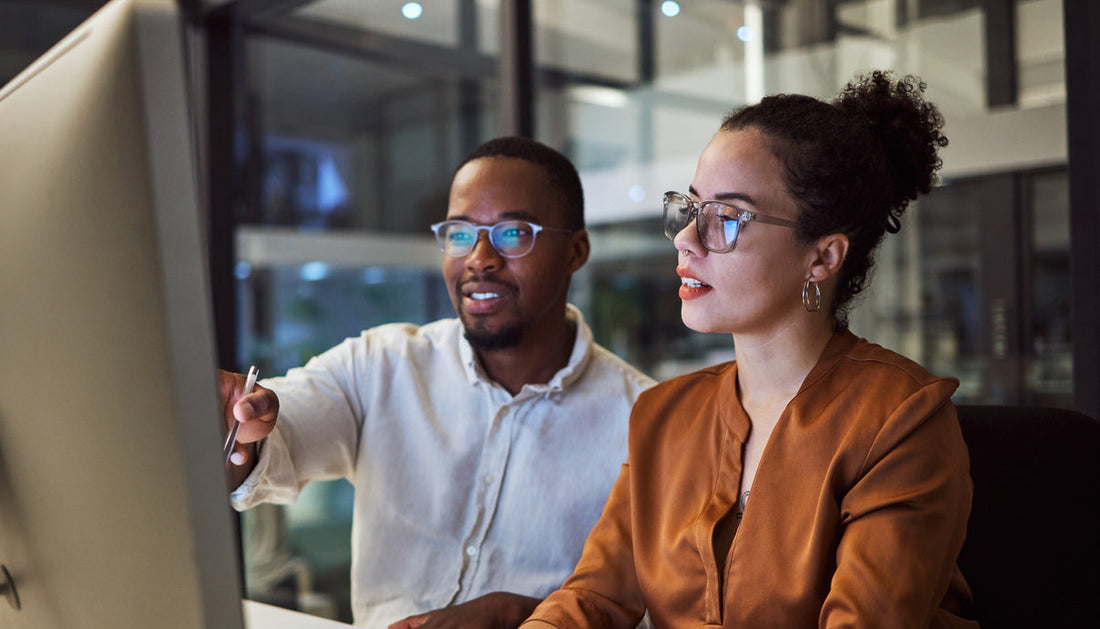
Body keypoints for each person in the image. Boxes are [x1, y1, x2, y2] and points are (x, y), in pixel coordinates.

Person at [522, 71, 978, 628]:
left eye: (726, 218)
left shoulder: (899, 418)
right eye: (689, 208)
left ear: (822, 257)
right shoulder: (664, 416)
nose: (686, 238)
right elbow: (591, 599)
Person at [219, 136, 656, 628]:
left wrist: (521, 616)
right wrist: (242, 427)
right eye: (460, 232)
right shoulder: (380, 364)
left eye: (513, 233)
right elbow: (281, 437)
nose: (480, 257)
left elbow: (657, 613)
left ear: (575, 251)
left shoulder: (645, 420)